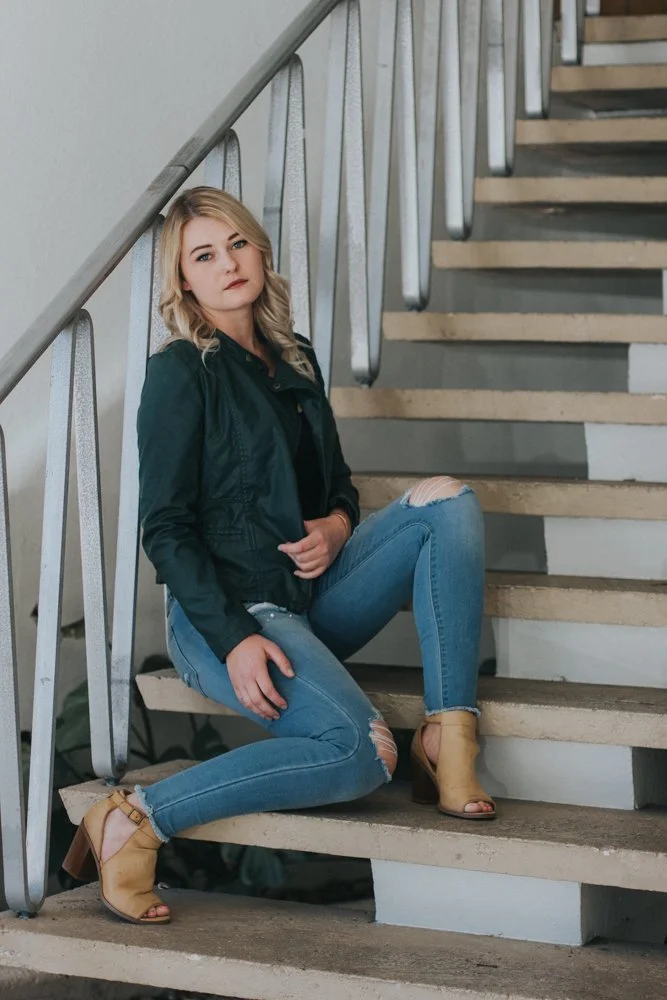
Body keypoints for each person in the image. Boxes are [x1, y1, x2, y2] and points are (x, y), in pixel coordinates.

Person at [62, 186, 494, 925]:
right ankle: (134, 818)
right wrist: (233, 638)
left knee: (446, 502)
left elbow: (338, 486)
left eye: (236, 244)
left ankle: (448, 735)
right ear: (185, 282)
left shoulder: (295, 359)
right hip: (228, 614)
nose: (226, 263)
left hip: (310, 595)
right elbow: (164, 527)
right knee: (359, 753)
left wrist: (334, 523)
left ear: (260, 250)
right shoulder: (180, 374)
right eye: (203, 255)